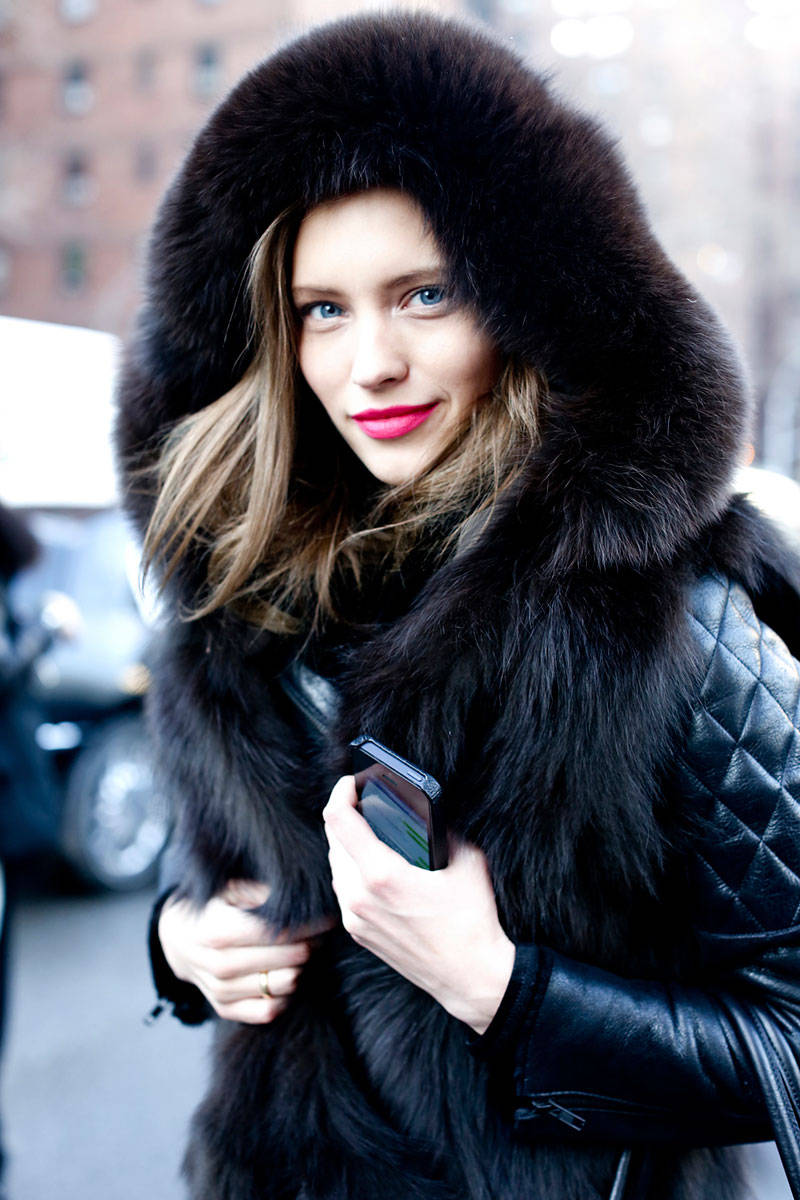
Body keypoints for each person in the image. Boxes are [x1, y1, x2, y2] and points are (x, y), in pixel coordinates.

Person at [116, 12, 800, 1200]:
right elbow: (213, 885)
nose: (368, 363)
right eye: (321, 309)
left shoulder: (672, 616)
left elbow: (784, 1034)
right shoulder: (237, 611)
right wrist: (182, 946)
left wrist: (500, 987)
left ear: (524, 303)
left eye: (424, 295)